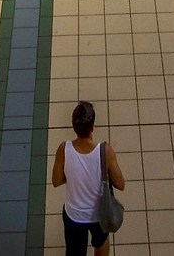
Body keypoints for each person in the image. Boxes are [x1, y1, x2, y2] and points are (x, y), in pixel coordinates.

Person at [50, 99, 124, 256]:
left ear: (74, 127)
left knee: (74, 251)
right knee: (101, 243)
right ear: (93, 128)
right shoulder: (105, 151)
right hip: (99, 213)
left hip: (73, 215)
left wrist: (72, 175)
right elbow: (120, 184)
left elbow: (56, 181)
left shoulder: (64, 149)